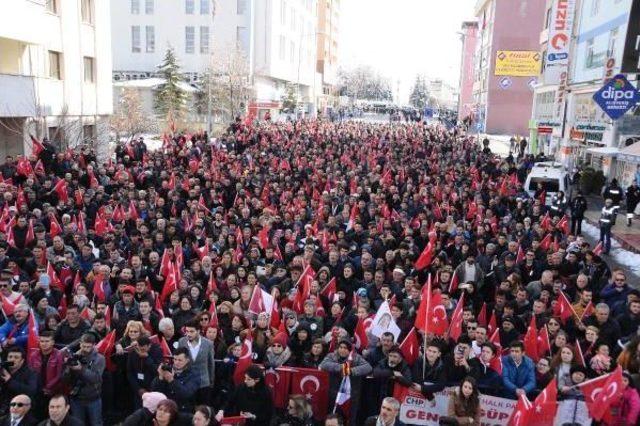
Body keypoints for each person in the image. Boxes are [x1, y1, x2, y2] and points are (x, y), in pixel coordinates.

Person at [320, 340, 372, 422]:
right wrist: (342, 367)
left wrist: (351, 371)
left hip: (350, 396)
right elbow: (324, 364)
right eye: (340, 347)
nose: (342, 350)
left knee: (349, 419)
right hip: (334, 394)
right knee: (333, 417)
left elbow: (368, 367)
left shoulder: (356, 357)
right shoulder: (332, 355)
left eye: (345, 348)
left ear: (349, 350)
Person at [62, 333, 105, 425]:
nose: (85, 349)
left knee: (96, 423)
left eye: (88, 347)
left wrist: (81, 369)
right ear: (80, 344)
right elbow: (65, 380)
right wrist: (68, 368)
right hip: (76, 398)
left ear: (94, 345)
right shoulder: (73, 357)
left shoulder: (100, 358)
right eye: (83, 346)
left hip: (93, 398)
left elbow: (95, 378)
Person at [150, 347, 199, 413]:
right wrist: (160, 377)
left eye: (180, 360)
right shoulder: (168, 369)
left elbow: (186, 393)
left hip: (183, 411)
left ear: (187, 360)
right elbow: (154, 390)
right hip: (166, 409)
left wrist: (171, 381)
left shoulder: (194, 374)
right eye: (175, 359)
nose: (176, 362)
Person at [177, 321, 215, 405]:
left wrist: (211, 382)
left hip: (203, 383)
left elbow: (211, 364)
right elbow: (178, 361)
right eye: (187, 331)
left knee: (203, 408)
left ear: (198, 331)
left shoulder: (208, 344)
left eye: (191, 331)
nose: (188, 334)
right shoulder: (181, 342)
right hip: (187, 382)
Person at [0, 346, 38, 416]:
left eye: (16, 357)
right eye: (10, 357)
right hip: (4, 407)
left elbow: (31, 391)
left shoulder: (30, 373)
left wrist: (10, 381)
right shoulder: (3, 369)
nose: (12, 359)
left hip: (21, 409)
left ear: (22, 361)